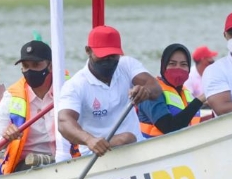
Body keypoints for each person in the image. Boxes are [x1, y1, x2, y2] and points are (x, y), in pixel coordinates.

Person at [58, 25, 162, 157]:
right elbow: (63, 121)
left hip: (135, 149)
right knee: (126, 138)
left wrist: (145, 91)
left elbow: (155, 87)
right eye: (103, 55)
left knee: (127, 138)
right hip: (96, 155)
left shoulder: (127, 65)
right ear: (88, 51)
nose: (108, 60)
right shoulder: (75, 85)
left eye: (113, 55)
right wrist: (89, 140)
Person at [0, 40, 56, 174]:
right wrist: (5, 139)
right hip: (26, 168)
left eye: (36, 65)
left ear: (51, 66)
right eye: (25, 65)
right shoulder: (11, 97)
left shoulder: (68, 90)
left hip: (66, 161)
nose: (30, 70)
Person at [138, 43, 205, 138]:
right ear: (163, 65)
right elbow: (169, 127)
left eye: (183, 64)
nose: (178, 68)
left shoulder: (185, 92)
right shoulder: (150, 92)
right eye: (172, 64)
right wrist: (200, 100)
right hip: (156, 149)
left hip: (185, 146)